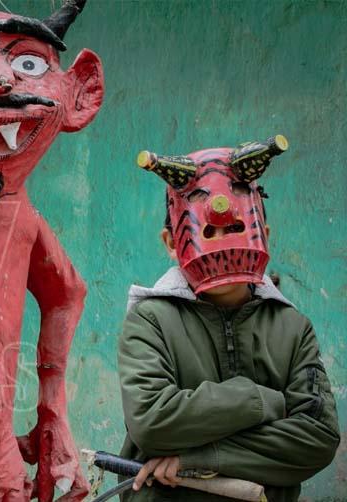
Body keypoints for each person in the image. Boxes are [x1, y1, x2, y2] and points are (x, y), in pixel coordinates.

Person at [117, 137, 340, 501]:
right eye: (209, 232)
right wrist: (260, 401)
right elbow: (152, 424)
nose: (223, 243)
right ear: (171, 242)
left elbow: (317, 437)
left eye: (234, 229)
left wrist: (199, 457)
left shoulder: (292, 328)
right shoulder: (150, 320)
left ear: (263, 234)